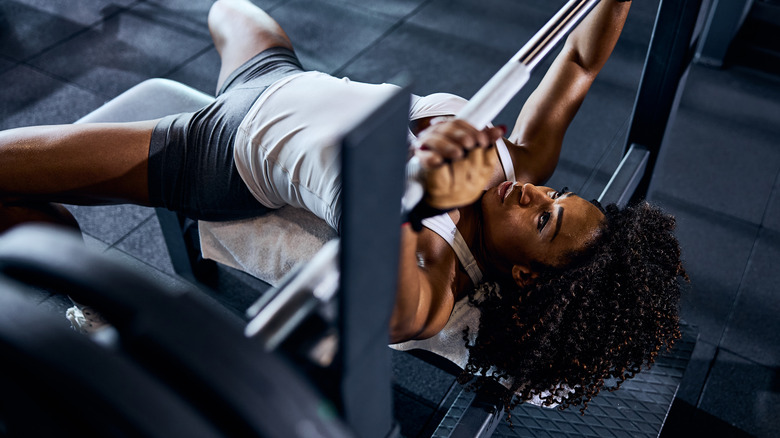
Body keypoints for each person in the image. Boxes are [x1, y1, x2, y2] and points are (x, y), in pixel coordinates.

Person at [0, 0, 684, 412]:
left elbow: (373, 245)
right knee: (229, 10)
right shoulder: (516, 166)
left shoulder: (431, 286)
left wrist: (424, 193)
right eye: (557, 196)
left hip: (219, 150)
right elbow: (579, 67)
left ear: (529, 276)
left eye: (545, 219)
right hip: (280, 81)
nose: (538, 192)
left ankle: (74, 300)